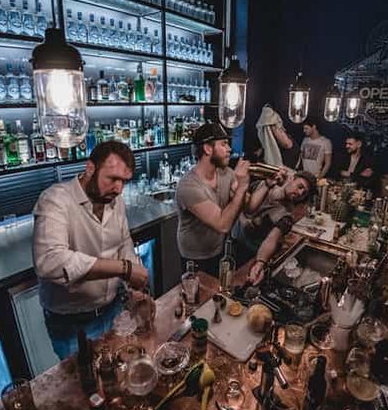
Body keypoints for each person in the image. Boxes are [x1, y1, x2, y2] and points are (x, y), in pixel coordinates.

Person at [32, 141, 150, 359]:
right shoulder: (56, 200)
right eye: (112, 178)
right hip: (72, 325)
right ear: (90, 168)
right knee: (84, 378)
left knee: (118, 368)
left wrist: (134, 286)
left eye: (124, 181)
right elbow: (49, 261)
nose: (119, 189)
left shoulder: (114, 200)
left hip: (113, 310)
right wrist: (124, 268)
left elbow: (123, 242)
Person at [176, 122, 251, 275]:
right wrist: (242, 187)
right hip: (195, 259)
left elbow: (249, 206)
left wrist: (267, 185)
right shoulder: (188, 186)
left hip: (219, 250)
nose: (229, 149)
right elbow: (222, 224)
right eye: (224, 144)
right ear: (208, 149)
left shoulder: (226, 173)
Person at [231, 168, 317, 271]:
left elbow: (272, 238)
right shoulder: (265, 184)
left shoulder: (287, 216)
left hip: (250, 251)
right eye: (300, 186)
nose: (300, 192)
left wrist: (260, 262)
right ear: (291, 179)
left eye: (304, 193)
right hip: (232, 237)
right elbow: (244, 204)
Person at [255, 104, 299, 169]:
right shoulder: (265, 148)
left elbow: (287, 144)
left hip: (288, 171)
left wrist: (271, 123)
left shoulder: (289, 143)